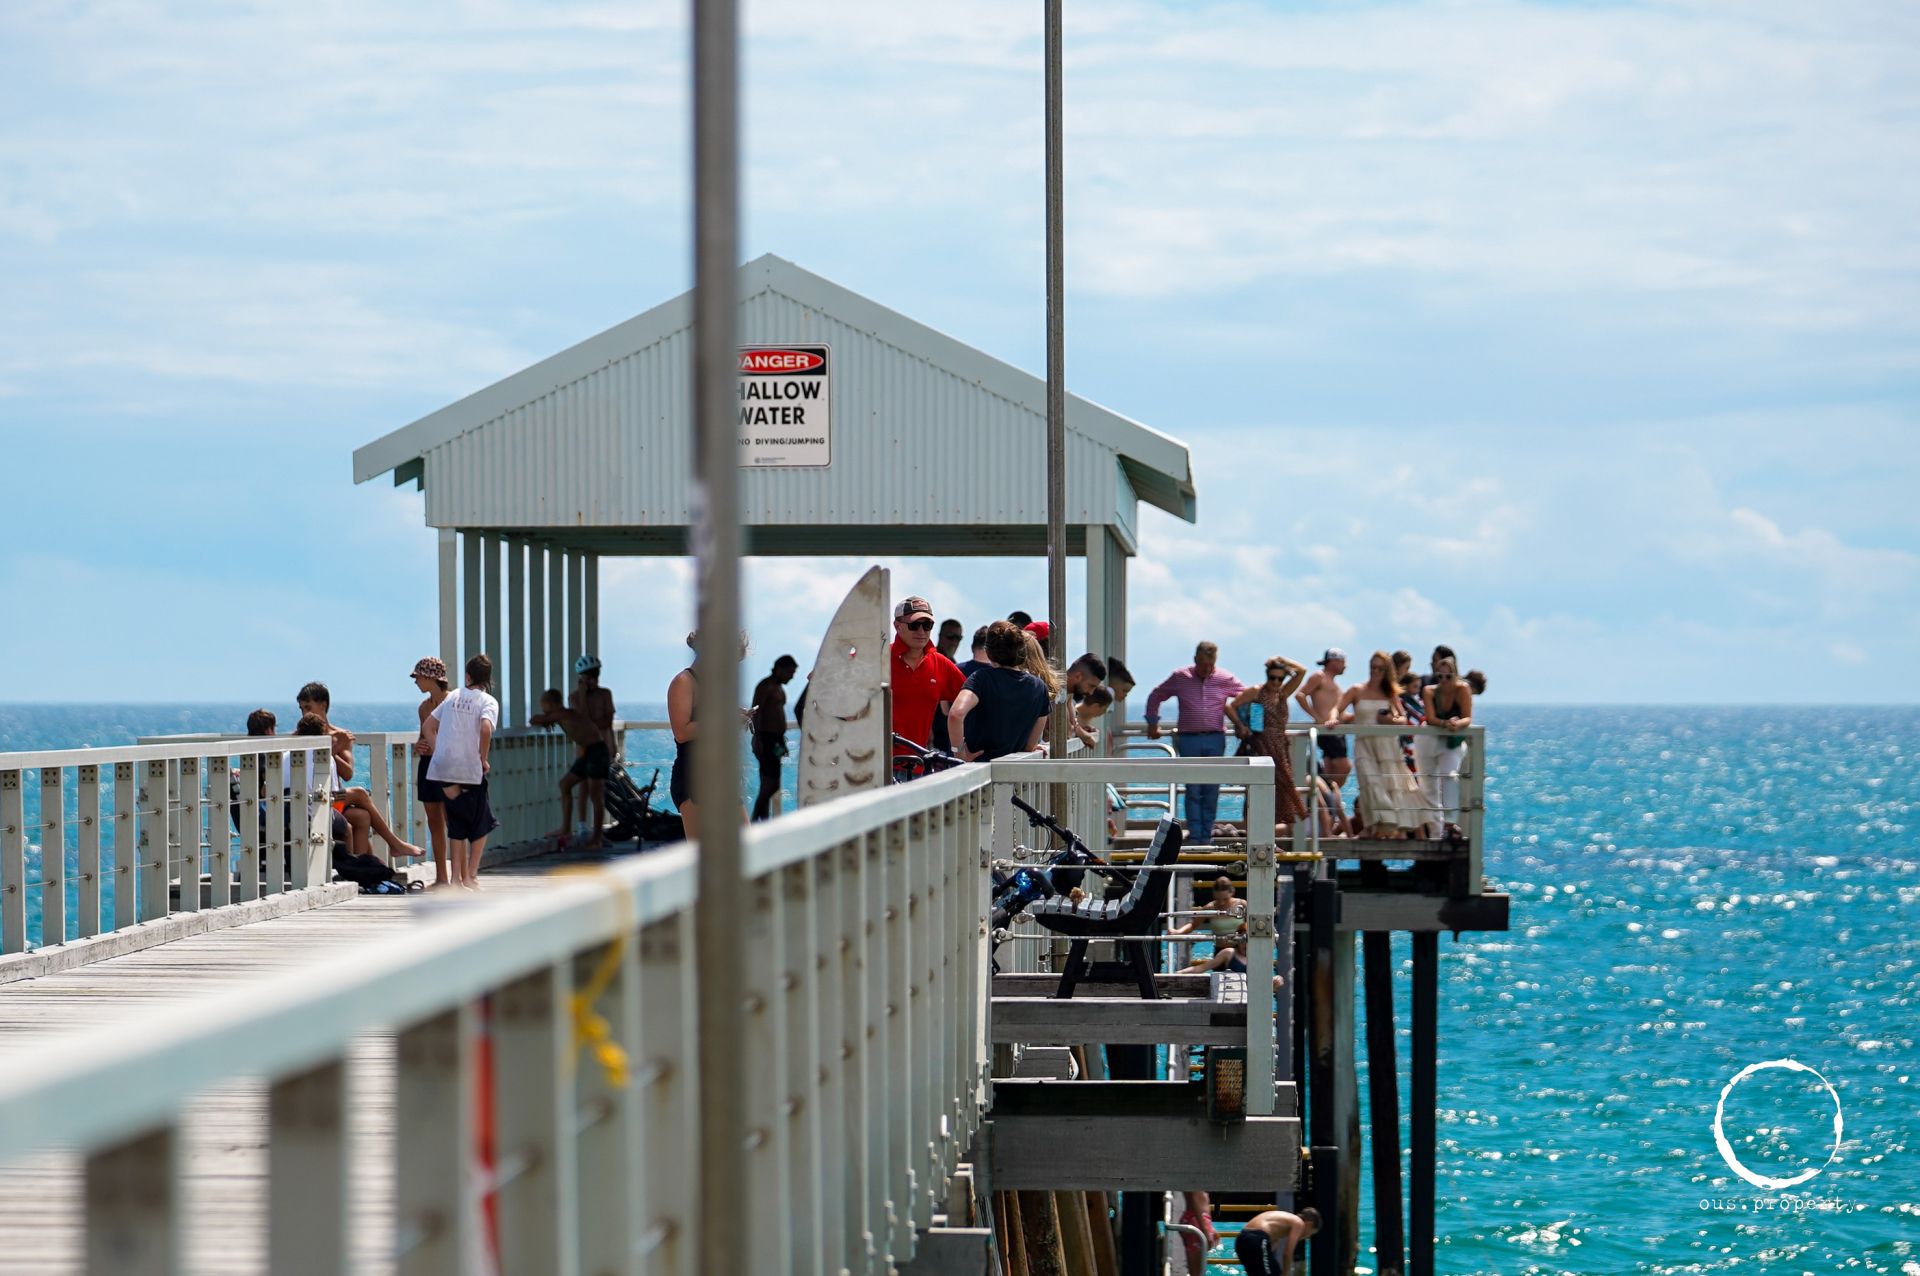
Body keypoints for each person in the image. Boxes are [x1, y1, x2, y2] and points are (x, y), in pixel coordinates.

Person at [294, 681, 423, 864]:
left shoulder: (341, 735)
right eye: (301, 709)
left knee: (363, 816)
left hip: (335, 798)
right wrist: (332, 750)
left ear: (323, 705)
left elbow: (347, 773)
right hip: (313, 797)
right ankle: (389, 847)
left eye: (308, 707)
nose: (304, 713)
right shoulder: (300, 735)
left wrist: (333, 750)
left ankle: (361, 868)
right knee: (361, 795)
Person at [1143, 642, 1246, 845]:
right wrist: (1153, 723)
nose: (1206, 669)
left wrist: (1244, 722)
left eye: (1210, 664)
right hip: (1189, 738)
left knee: (1211, 788)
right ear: (1195, 660)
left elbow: (1248, 695)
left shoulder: (1224, 678)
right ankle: (1196, 833)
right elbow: (1156, 695)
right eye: (1202, 664)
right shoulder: (1181, 676)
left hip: (1215, 738)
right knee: (1193, 788)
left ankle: (1206, 834)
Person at [422, 654, 499, 889]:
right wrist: (482, 758)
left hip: (444, 768)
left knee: (456, 820)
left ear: (467, 676)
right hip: (468, 768)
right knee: (482, 820)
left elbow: (428, 726)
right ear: (488, 679)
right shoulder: (488, 701)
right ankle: (471, 876)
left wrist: (439, 752)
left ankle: (455, 879)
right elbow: (485, 729)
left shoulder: (453, 696)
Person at [1329, 652, 1426, 838]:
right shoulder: (1357, 690)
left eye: (1380, 669)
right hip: (1364, 745)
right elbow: (1337, 708)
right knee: (1370, 783)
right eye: (1373, 667)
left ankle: (1385, 828)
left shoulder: (1389, 693)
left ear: (1387, 671)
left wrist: (1389, 720)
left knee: (1391, 784)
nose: (1376, 671)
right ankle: (1381, 825)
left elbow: (1402, 718)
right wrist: (1333, 719)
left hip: (1386, 746)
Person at [668, 630, 750, 839]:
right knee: (701, 853)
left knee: (747, 846)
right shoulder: (684, 682)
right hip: (693, 777)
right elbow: (682, 732)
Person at [947, 620, 1051, 761]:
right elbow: (1030, 746)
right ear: (1021, 650)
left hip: (981, 769)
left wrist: (959, 753)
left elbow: (955, 714)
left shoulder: (981, 679)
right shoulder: (1039, 687)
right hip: (1016, 771)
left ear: (988, 652)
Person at [1226, 656, 1310, 828]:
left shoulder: (1283, 693)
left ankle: (1269, 831)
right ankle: (1251, 831)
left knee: (1281, 788)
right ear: (1267, 676)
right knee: (1257, 789)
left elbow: (1302, 671)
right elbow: (1229, 706)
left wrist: (1281, 660)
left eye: (1280, 678)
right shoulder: (1257, 691)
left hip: (1279, 747)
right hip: (1260, 745)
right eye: (1272, 678)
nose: (1276, 682)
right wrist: (1240, 725)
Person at [531, 688, 616, 848]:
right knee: (565, 784)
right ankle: (566, 828)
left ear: (551, 704)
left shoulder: (562, 713)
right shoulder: (562, 715)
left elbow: (536, 719)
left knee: (596, 795)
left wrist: (546, 719)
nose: (543, 709)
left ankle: (597, 837)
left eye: (544, 705)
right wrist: (549, 720)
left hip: (597, 751)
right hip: (587, 752)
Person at [890, 596, 967, 751]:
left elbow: (976, 705)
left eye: (927, 625)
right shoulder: (877, 659)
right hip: (874, 763)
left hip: (919, 763)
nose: (921, 631)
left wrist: (960, 750)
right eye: (914, 625)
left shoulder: (941, 664)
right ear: (897, 626)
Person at [1418, 656, 1474, 839]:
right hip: (1430, 738)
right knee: (1428, 783)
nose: (1443, 680)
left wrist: (1457, 724)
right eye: (1439, 676)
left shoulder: (1462, 689)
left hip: (1452, 741)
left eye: (1448, 676)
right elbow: (1430, 718)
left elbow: (1467, 717)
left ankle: (1450, 823)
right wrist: (1445, 723)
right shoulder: (1429, 691)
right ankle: (1435, 829)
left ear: (1455, 675)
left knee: (1450, 776)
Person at [408, 658, 452, 887]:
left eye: (418, 677)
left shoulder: (453, 702)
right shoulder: (423, 707)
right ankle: (442, 877)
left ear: (430, 677)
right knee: (434, 822)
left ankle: (459, 876)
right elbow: (422, 738)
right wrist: (419, 746)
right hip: (428, 765)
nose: (415, 682)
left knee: (453, 821)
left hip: (449, 767)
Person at [749, 655, 799, 821]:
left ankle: (762, 821)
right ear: (779, 669)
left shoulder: (778, 688)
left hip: (775, 739)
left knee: (769, 784)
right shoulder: (766, 686)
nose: (791, 677)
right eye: (790, 672)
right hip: (766, 739)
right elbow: (756, 712)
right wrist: (758, 739)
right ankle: (755, 820)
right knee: (770, 784)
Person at [1295, 649, 1351, 790]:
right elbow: (1300, 695)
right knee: (1344, 767)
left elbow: (1339, 712)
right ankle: (1328, 793)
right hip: (1327, 730)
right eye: (1343, 662)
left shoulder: (1334, 684)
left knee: (1330, 768)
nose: (1345, 666)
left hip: (1335, 730)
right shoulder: (1319, 676)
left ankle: (1326, 795)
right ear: (1333, 661)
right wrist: (1316, 717)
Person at [1171, 876, 1248, 973]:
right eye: (1218, 899)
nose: (1221, 902)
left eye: (1225, 899)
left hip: (1241, 951)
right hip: (1220, 951)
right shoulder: (1210, 907)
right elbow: (1193, 925)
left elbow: (1252, 924)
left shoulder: (1242, 904)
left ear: (1232, 892)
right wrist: (1178, 932)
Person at [1234, 1207, 1320, 1276]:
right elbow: (1287, 1253)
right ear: (1309, 1224)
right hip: (1256, 1238)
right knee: (1273, 1272)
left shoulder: (1280, 1225)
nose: (1307, 1237)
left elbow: (1268, 1252)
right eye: (1310, 1233)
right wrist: (1286, 1274)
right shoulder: (1299, 1223)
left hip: (1241, 1240)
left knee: (1272, 1270)